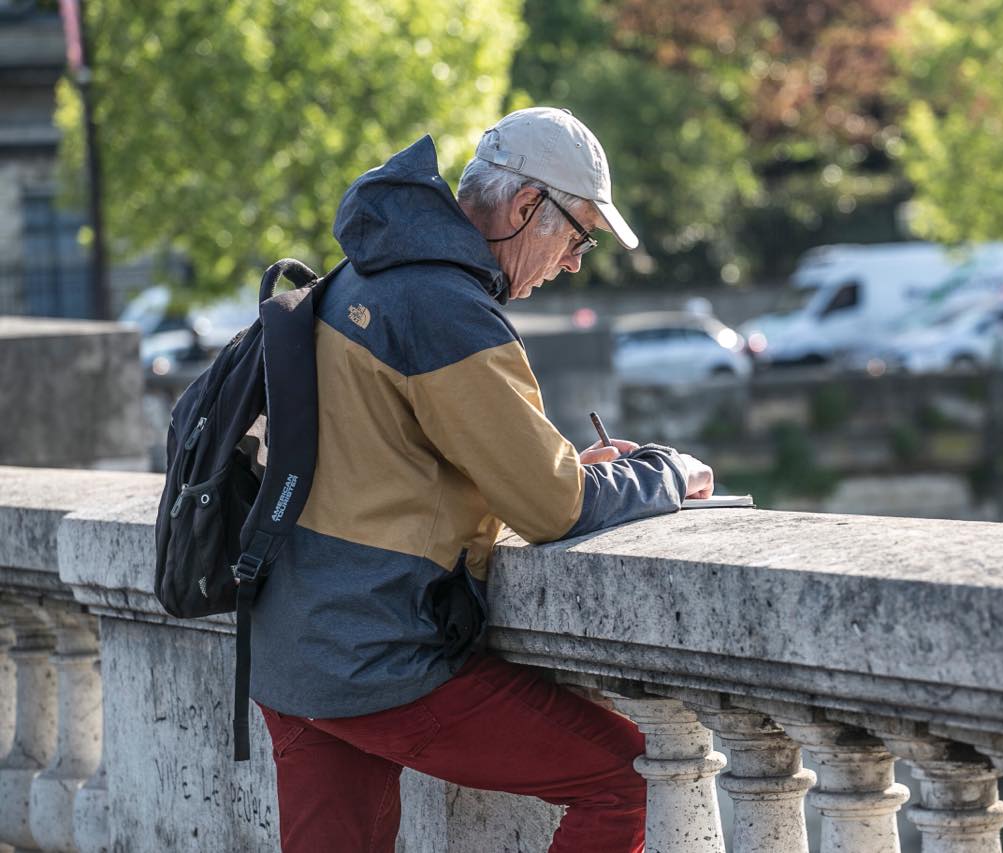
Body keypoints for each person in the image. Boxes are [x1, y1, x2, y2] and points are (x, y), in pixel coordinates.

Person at [249, 106, 715, 853]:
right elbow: (554, 508)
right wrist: (665, 472)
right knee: (626, 777)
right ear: (529, 206)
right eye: (578, 234)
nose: (573, 261)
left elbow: (395, 467)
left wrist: (563, 461)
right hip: (375, 653)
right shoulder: (445, 307)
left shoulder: (370, 268)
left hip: (291, 644)